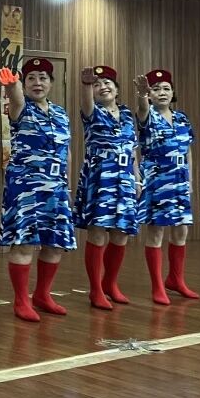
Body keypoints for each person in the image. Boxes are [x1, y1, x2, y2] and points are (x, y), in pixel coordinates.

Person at [0, 58, 74, 322]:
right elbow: (16, 98)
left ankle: (42, 294)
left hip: (57, 187)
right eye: (31, 78)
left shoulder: (61, 114)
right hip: (26, 187)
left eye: (43, 78)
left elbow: (67, 151)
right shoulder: (21, 108)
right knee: (25, 243)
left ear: (51, 82)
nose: (37, 83)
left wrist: (67, 185)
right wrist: (12, 86)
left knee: (55, 243)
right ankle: (21, 300)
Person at [74, 65, 138, 310]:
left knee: (121, 234)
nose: (103, 87)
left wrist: (137, 178)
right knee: (98, 232)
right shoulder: (92, 111)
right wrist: (86, 86)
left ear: (117, 89)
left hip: (125, 177)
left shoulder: (127, 114)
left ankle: (110, 283)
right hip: (100, 176)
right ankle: (95, 290)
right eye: (97, 84)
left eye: (107, 83)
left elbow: (132, 150)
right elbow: (86, 103)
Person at [133, 69, 198, 304]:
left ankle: (176, 279)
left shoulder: (182, 118)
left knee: (181, 230)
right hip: (157, 178)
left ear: (173, 93)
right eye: (156, 89)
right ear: (150, 94)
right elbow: (142, 109)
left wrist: (190, 180)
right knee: (157, 231)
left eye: (166, 88)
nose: (162, 92)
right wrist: (142, 95)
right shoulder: (147, 115)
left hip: (180, 178)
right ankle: (157, 285)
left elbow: (188, 150)